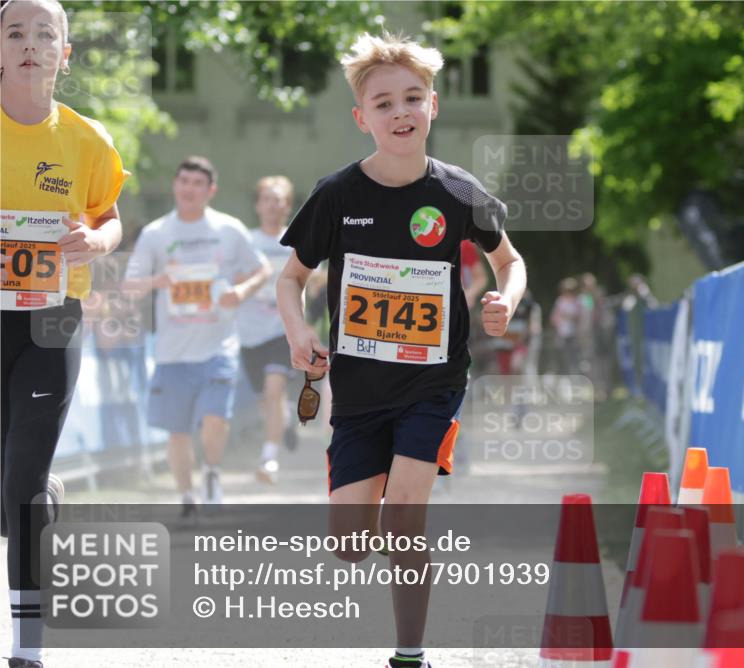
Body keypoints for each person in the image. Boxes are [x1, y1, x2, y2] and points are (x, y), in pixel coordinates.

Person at [275, 33, 526, 668]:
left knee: (405, 516)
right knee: (353, 544)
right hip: (358, 393)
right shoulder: (337, 195)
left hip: (432, 381)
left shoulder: (458, 191)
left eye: (412, 98)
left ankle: (409, 653)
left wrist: (506, 300)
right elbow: (290, 277)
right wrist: (299, 331)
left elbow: (510, 260)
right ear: (363, 119)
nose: (400, 112)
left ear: (433, 106)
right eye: (384, 103)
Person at [1, 1, 129, 665]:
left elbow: (111, 216)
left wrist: (97, 241)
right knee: (11, 493)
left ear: (64, 54)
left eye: (44, 33)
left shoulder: (86, 138)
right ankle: (37, 496)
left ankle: (28, 647)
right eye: (15, 32)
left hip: (51, 318)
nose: (30, 44)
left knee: (22, 482)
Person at [123, 157, 269, 516]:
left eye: (197, 183)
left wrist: (242, 291)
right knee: (177, 433)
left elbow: (262, 269)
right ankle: (187, 496)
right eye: (183, 180)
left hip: (219, 347)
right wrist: (158, 282)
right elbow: (129, 284)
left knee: (214, 419)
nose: (188, 188)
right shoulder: (156, 234)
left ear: (210, 190)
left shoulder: (229, 229)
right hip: (172, 351)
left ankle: (212, 473)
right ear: (175, 185)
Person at [236, 175, 297, 484]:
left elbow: (309, 278)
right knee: (267, 401)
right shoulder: (245, 241)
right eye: (268, 199)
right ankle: (283, 421)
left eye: (280, 199)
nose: (274, 205)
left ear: (287, 205)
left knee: (274, 391)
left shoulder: (296, 240)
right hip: (249, 333)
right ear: (258, 205)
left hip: (282, 330)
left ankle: (269, 459)